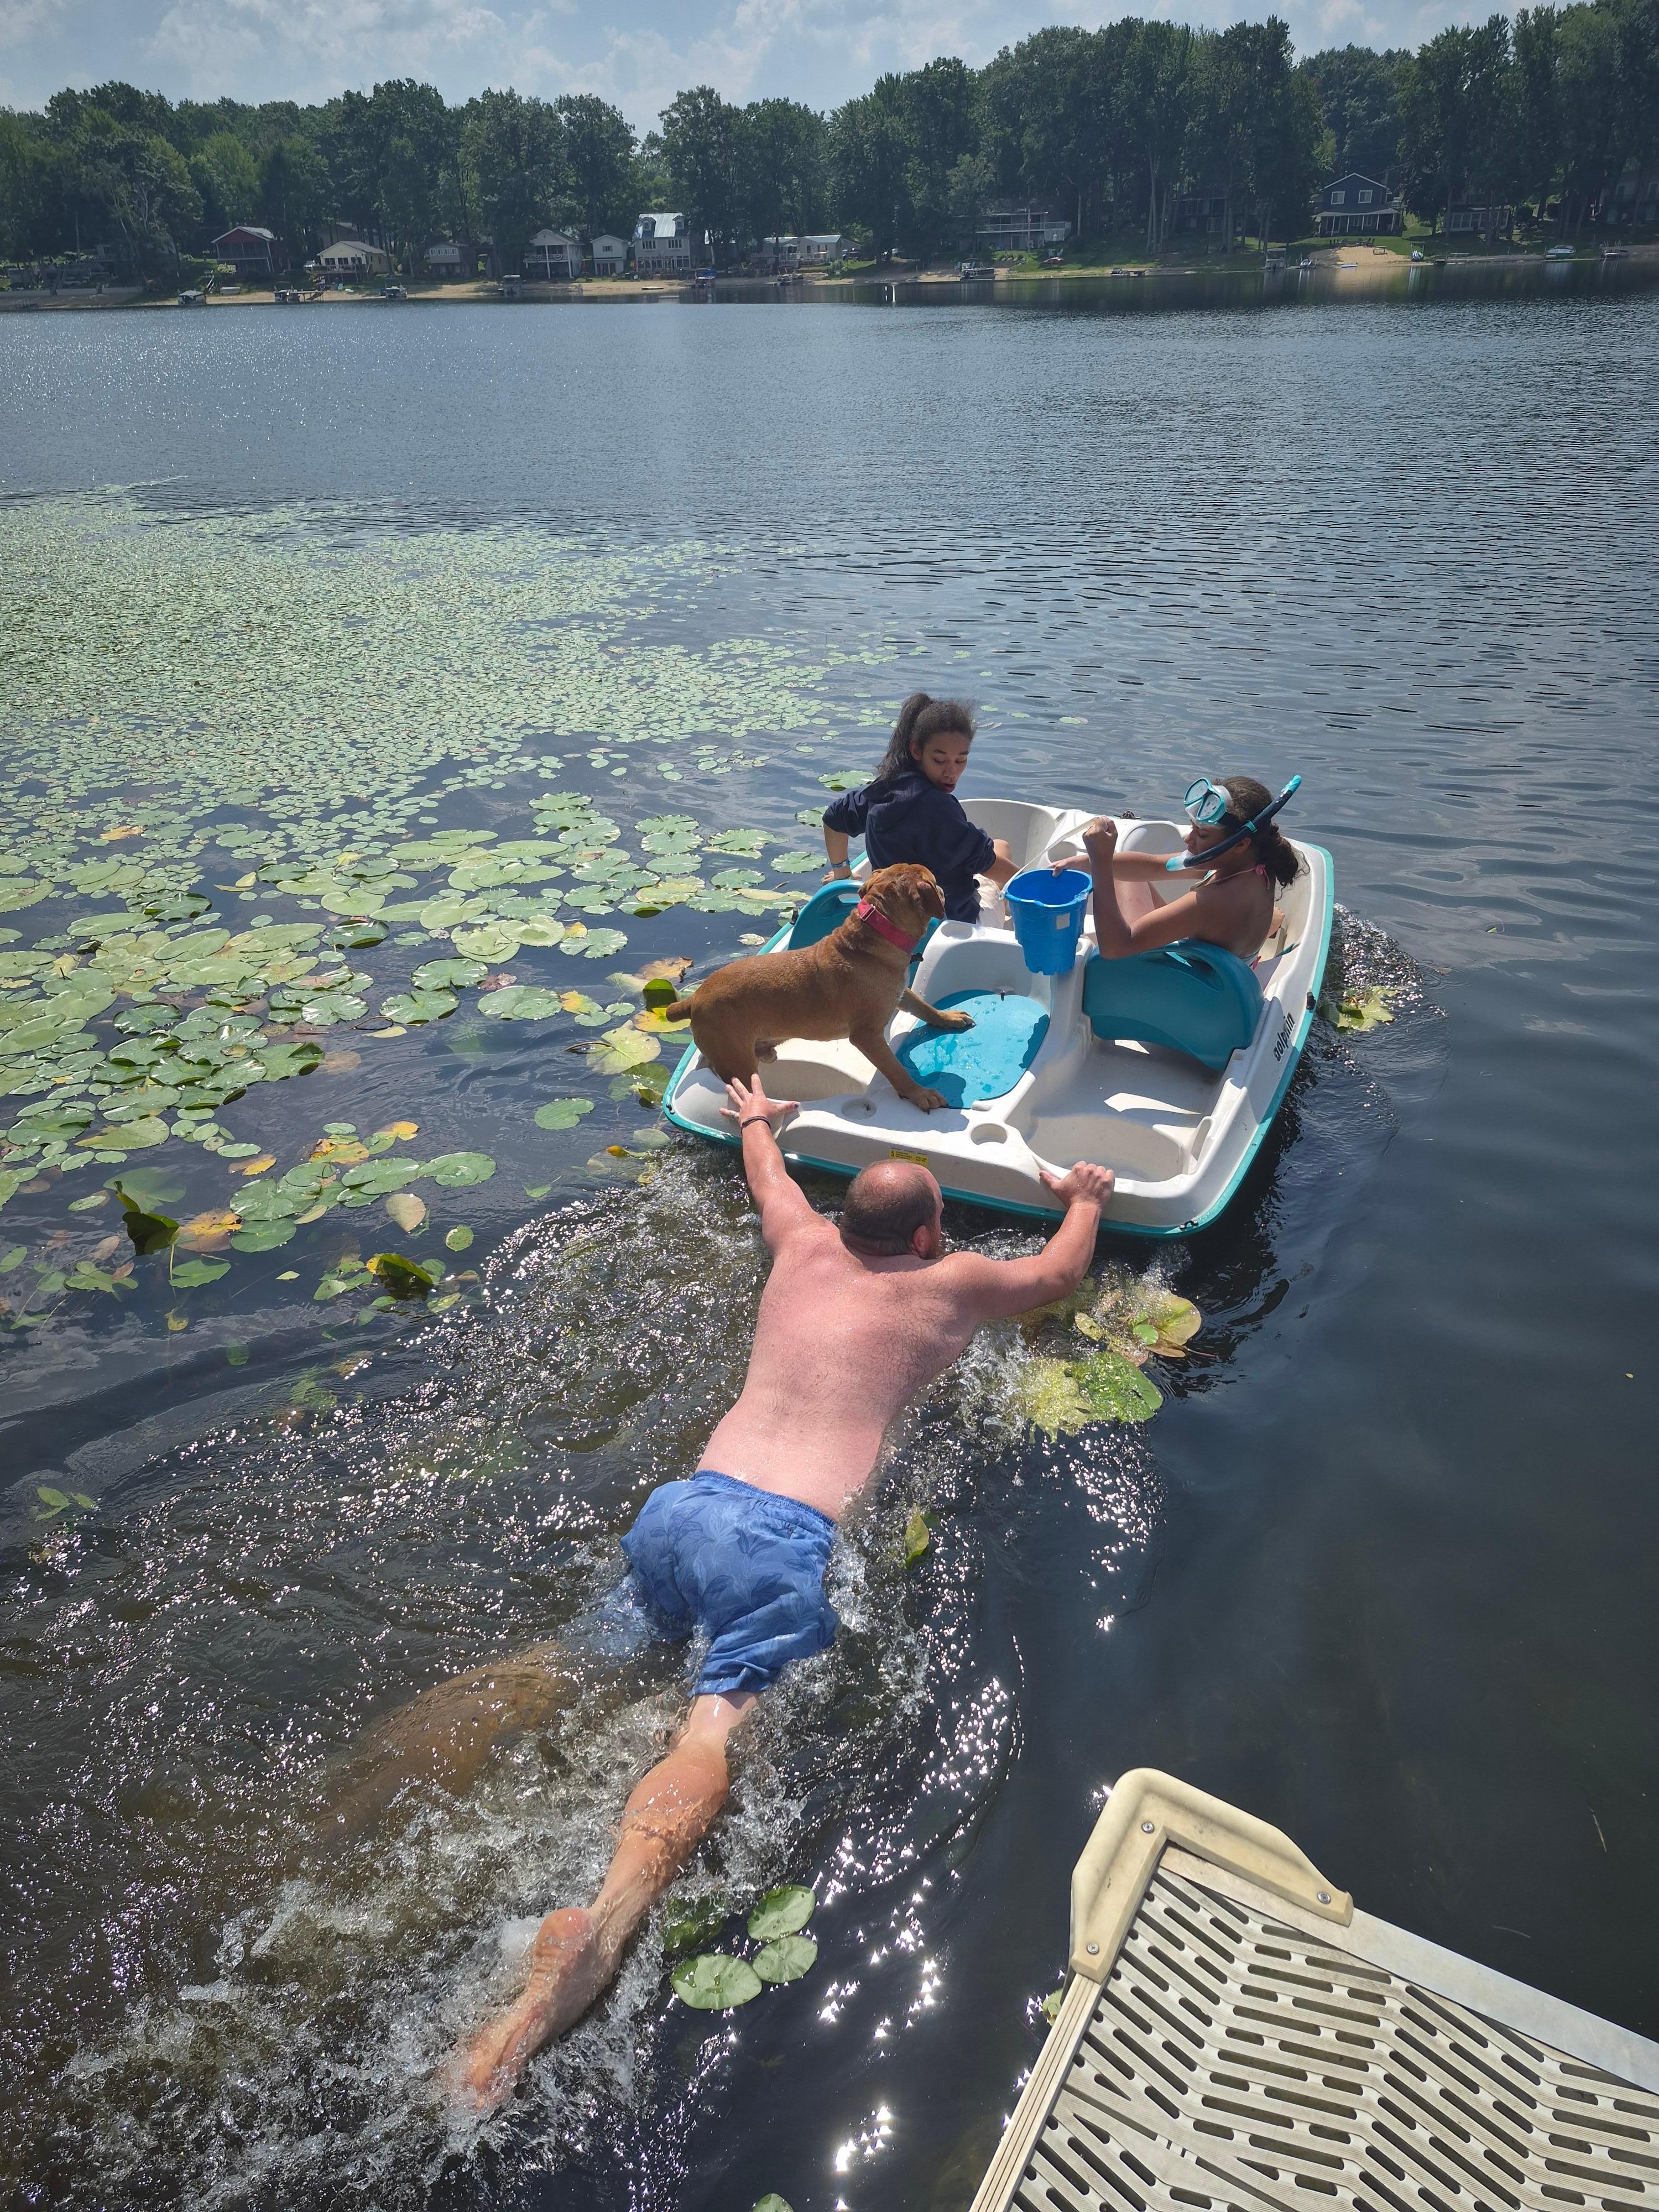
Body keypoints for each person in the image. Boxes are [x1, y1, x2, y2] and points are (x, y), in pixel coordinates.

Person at [456, 1074, 1114, 2107]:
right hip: (786, 1541)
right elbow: (1058, 1276)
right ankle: (608, 1924)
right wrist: (1084, 1196)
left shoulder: (801, 1244)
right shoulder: (953, 1285)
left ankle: (363, 1779)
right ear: (932, 1234)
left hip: (686, 1506)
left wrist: (759, 1117)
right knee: (707, 1732)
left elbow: (766, 1176)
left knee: (559, 1663)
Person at [822, 693, 1020, 924]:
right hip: (951, 927)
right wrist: (1037, 885)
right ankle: (1004, 915)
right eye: (940, 760)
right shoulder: (941, 810)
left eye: (961, 760)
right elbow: (988, 863)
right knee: (1002, 847)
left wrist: (842, 875)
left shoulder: (883, 788)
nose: (951, 772)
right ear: (917, 751)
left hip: (888, 923)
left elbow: (834, 819)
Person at [1079, 774, 1300, 963]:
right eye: (1192, 828)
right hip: (1224, 973)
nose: (1188, 839)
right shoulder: (1254, 864)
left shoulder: (1213, 900)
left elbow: (1115, 949)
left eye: (1202, 834)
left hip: (1188, 990)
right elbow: (1156, 866)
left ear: (1240, 844)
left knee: (1118, 881)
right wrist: (1084, 863)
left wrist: (1100, 864)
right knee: (1127, 875)